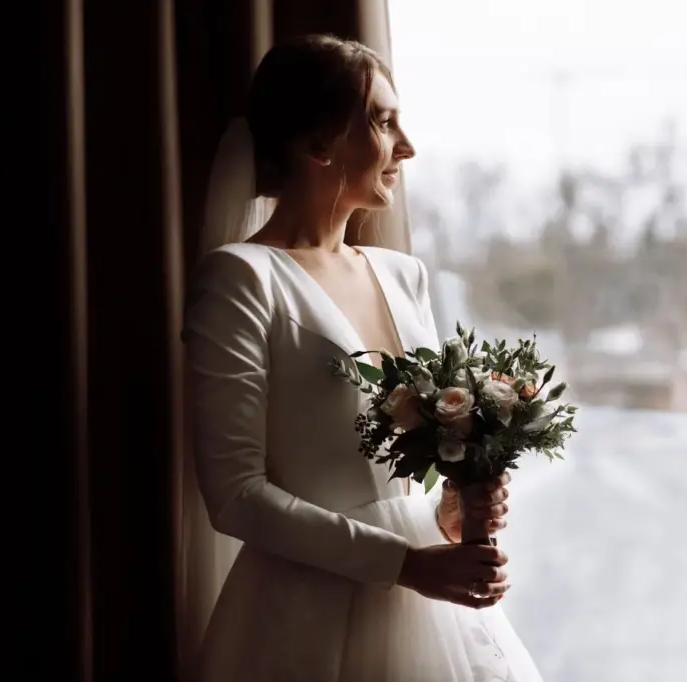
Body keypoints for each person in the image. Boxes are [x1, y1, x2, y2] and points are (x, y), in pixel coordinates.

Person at [182, 35, 544, 681]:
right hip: (306, 613)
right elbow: (235, 496)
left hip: (432, 599)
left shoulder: (404, 276)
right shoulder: (242, 278)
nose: (407, 146)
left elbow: (401, 471)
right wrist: (406, 565)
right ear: (317, 144)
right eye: (382, 122)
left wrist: (449, 514)